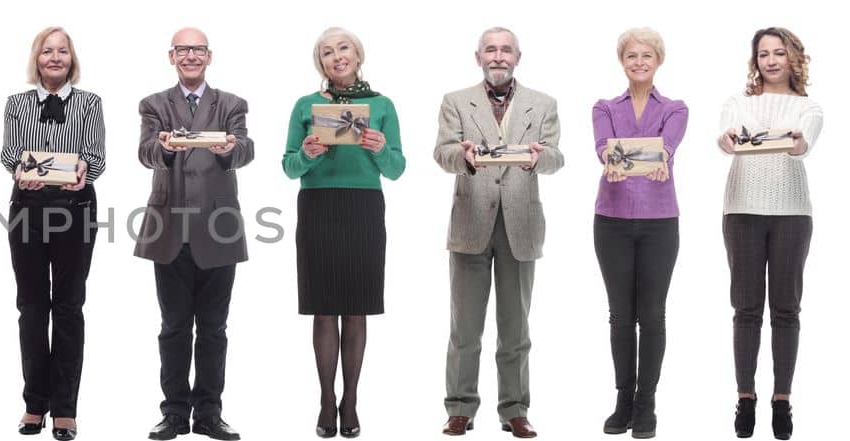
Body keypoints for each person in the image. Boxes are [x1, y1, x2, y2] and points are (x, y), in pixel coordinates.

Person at [431, 26, 563, 439]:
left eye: (506, 50)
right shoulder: (456, 101)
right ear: (478, 57)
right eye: (491, 50)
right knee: (465, 328)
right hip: (471, 221)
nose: (499, 56)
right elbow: (443, 152)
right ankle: (460, 407)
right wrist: (464, 157)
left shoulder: (543, 104)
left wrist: (539, 160)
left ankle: (515, 409)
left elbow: (556, 157)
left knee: (515, 327)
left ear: (518, 57)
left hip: (521, 225)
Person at [282, 27, 404, 439]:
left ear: (357, 54)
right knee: (323, 308)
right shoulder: (306, 105)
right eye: (328, 52)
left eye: (344, 48)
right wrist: (308, 154)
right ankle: (324, 398)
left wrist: (379, 149)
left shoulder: (382, 105)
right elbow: (289, 167)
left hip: (363, 208)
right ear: (321, 62)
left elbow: (397, 169)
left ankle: (350, 399)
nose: (337, 56)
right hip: (318, 207)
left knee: (356, 307)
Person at [136, 27, 253, 441]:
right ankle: (173, 414)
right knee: (173, 327)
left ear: (209, 56)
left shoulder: (231, 104)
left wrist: (230, 150)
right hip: (169, 228)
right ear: (172, 56)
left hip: (218, 228)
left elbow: (246, 148)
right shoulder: (154, 104)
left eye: (197, 49)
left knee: (214, 328)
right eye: (182, 49)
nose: (190, 56)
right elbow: (146, 151)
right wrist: (165, 146)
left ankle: (209, 414)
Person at [715, 27, 821, 441]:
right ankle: (745, 398)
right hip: (742, 210)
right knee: (745, 309)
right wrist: (726, 139)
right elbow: (725, 137)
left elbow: (803, 145)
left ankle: (781, 400)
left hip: (791, 214)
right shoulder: (737, 102)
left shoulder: (809, 106)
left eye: (779, 53)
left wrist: (795, 142)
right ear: (755, 60)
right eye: (764, 54)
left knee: (786, 310)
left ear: (794, 58)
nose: (771, 61)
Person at [1, 26, 104, 441]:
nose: (55, 58)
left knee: (68, 306)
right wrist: (20, 172)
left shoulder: (90, 102)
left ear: (71, 58)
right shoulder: (17, 103)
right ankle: (33, 403)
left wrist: (84, 170)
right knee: (30, 306)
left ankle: (65, 408)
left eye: (63, 51)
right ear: (37, 58)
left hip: (75, 207)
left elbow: (95, 155)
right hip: (27, 205)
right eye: (48, 51)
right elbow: (10, 154)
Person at [589, 27, 686, 440]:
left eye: (647, 55)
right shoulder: (604, 106)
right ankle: (623, 397)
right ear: (622, 61)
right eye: (632, 56)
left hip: (660, 221)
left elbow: (667, 145)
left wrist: (656, 155)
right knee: (620, 315)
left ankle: (647, 401)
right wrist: (618, 157)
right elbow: (604, 147)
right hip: (611, 219)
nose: (639, 62)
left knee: (652, 314)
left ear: (658, 60)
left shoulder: (675, 107)